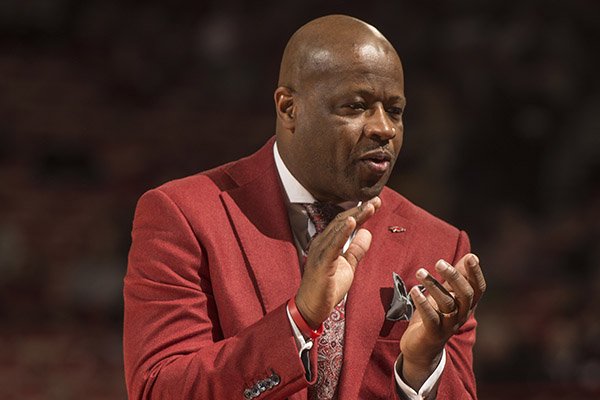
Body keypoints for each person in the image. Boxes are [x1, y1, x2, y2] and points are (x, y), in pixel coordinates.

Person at [123, 14, 486, 400]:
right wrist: (299, 319)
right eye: (356, 105)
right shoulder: (184, 215)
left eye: (395, 110)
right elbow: (159, 390)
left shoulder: (441, 246)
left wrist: (419, 369)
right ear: (289, 108)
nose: (385, 128)